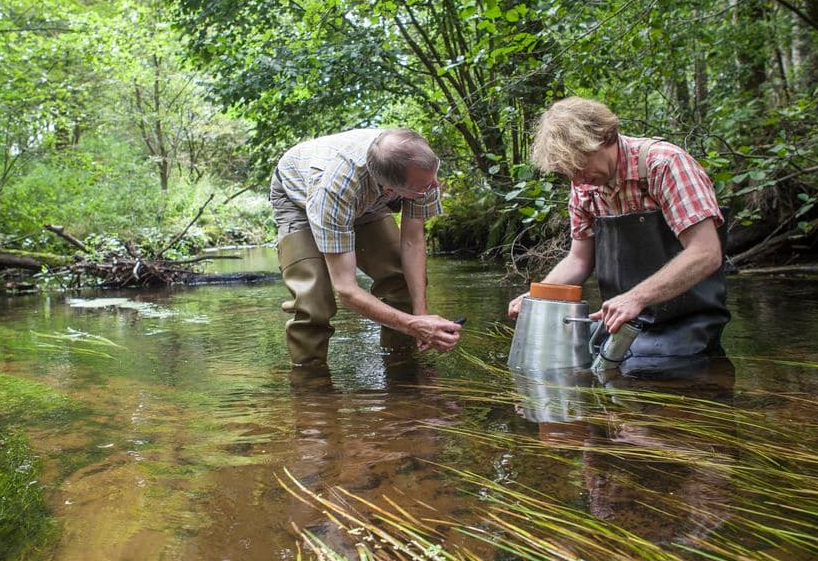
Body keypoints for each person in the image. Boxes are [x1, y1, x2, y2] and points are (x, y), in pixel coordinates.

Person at [508, 97, 729, 376]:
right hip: (622, 323)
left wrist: (635, 298)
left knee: (641, 371)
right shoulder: (585, 188)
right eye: (568, 173)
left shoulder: (665, 165)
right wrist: (538, 298)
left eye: (580, 167)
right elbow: (578, 260)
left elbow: (706, 253)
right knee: (566, 356)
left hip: (687, 325)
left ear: (604, 138)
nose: (577, 181)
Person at [270, 128, 462, 366]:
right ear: (391, 190)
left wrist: (421, 316)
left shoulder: (420, 171)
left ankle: (403, 367)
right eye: (423, 186)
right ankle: (310, 381)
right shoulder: (334, 189)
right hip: (297, 198)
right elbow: (346, 290)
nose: (435, 185)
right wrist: (412, 325)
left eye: (433, 176)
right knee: (314, 305)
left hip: (369, 199)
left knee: (399, 279)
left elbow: (412, 241)